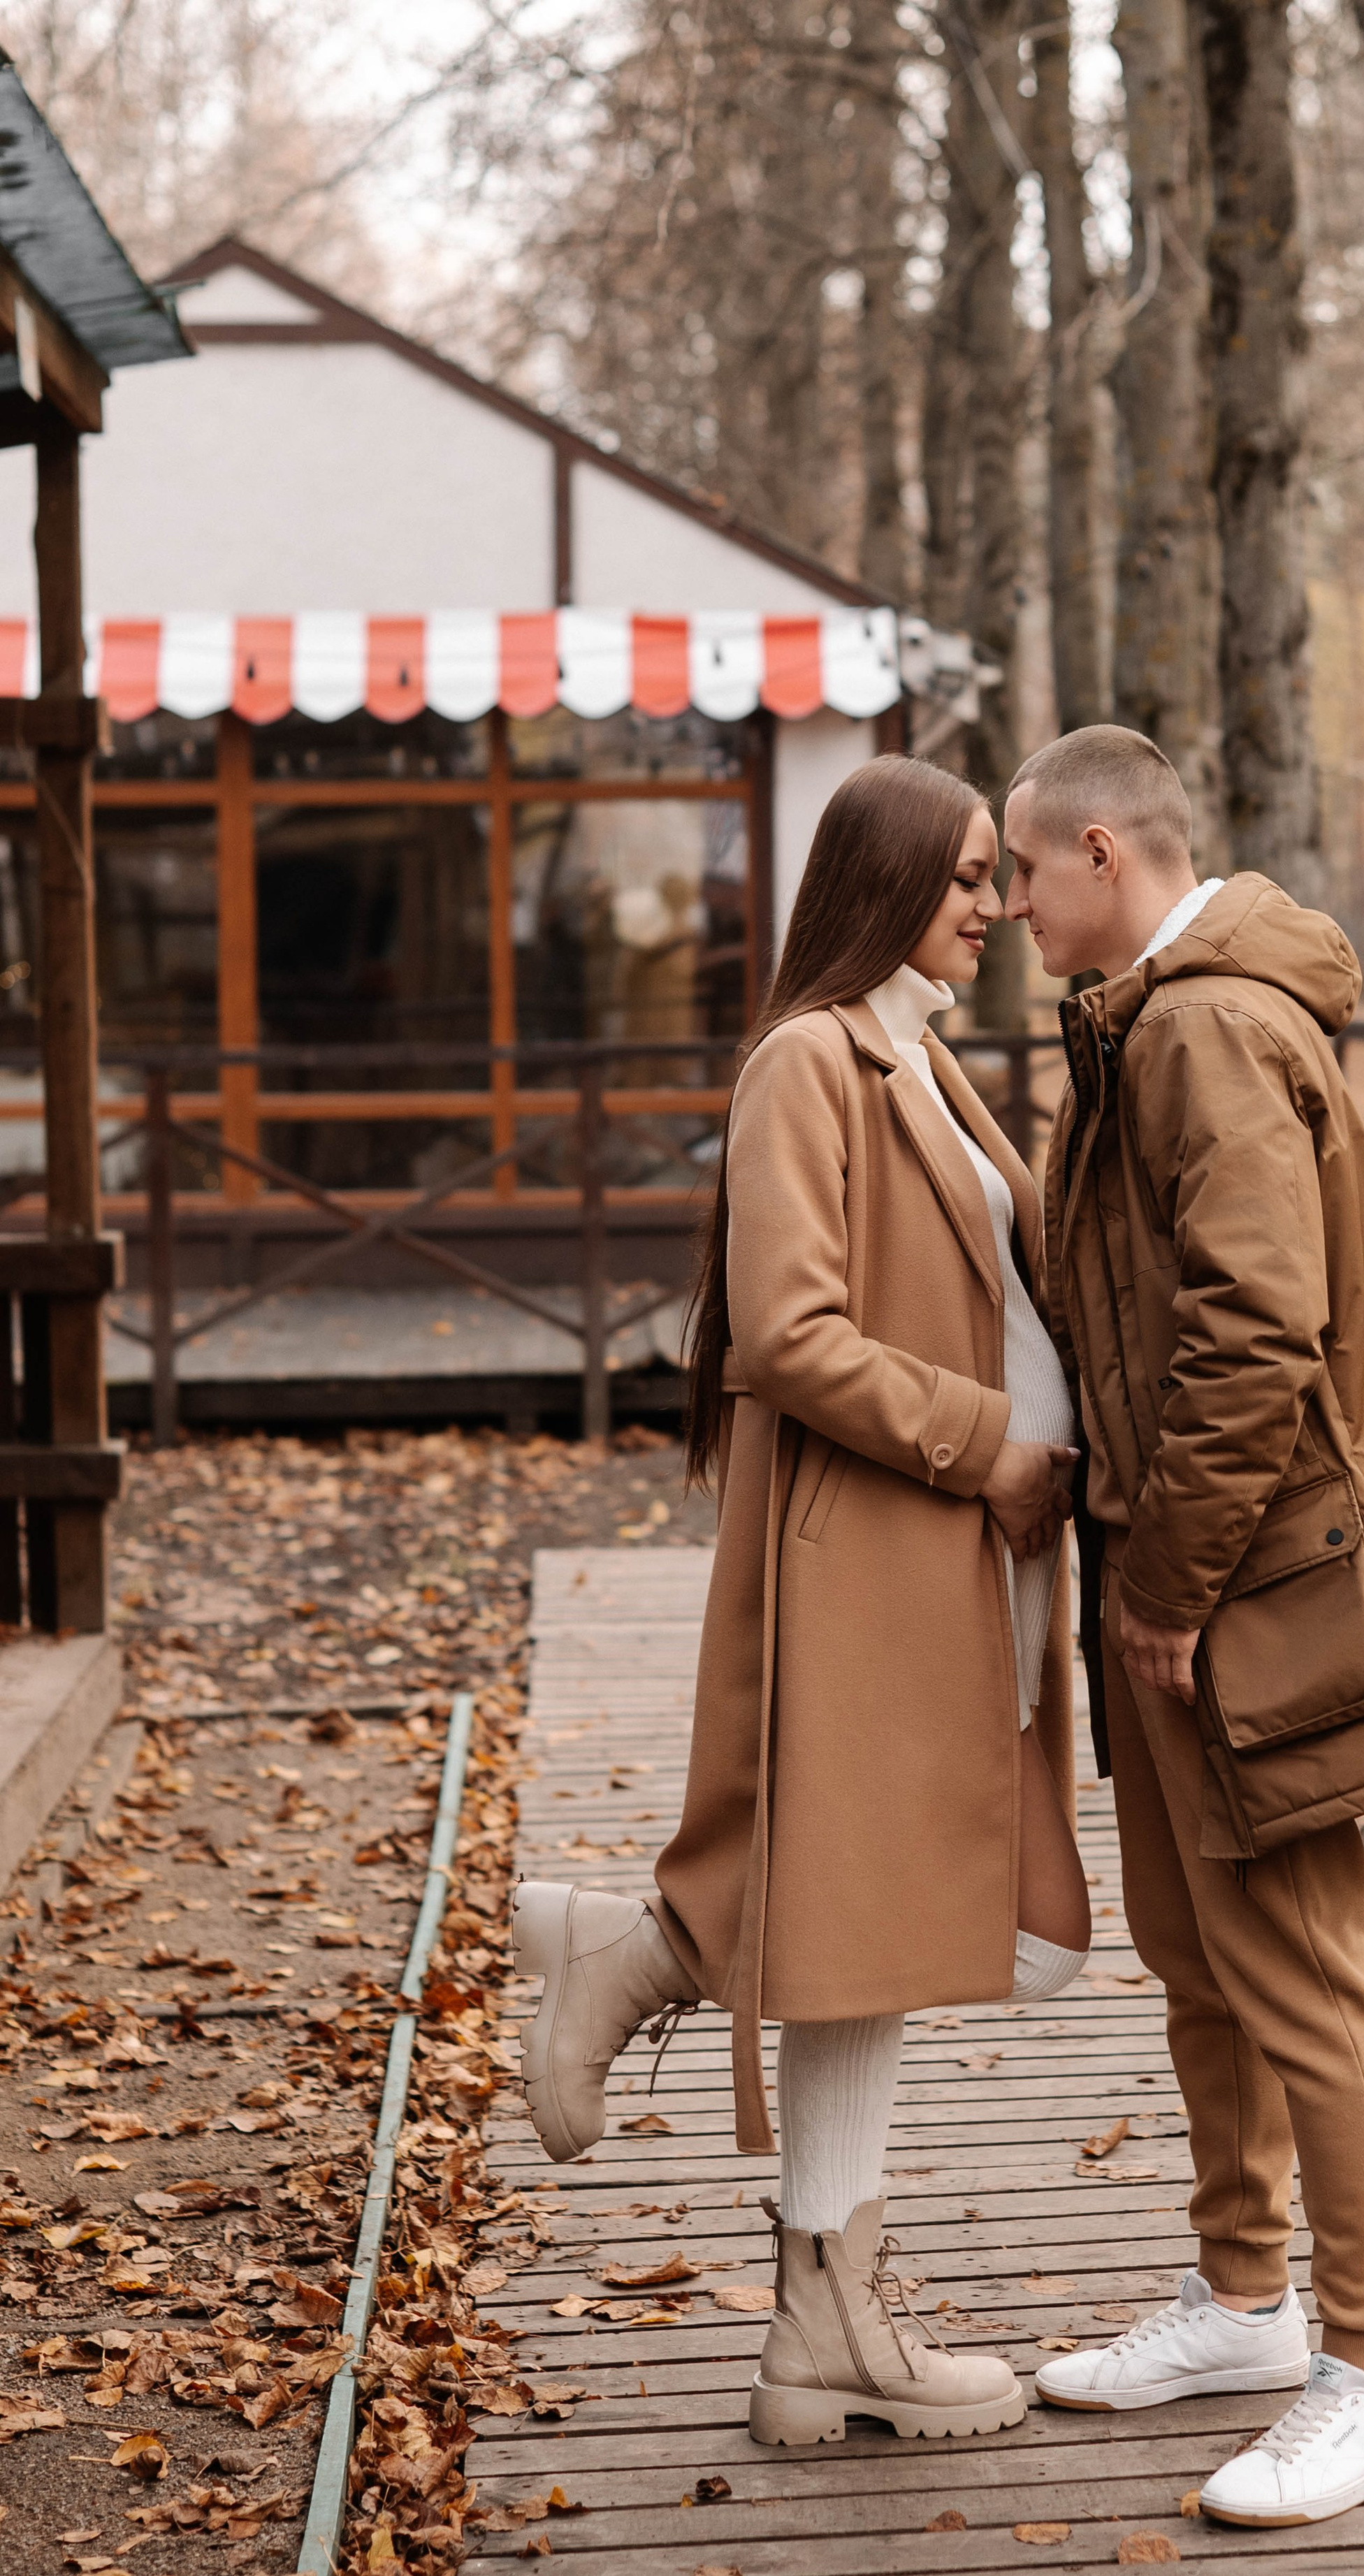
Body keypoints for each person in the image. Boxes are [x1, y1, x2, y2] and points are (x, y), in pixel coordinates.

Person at [512, 755, 1089, 2450]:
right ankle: (824, 2316)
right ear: (891, 875)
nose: (996, 902)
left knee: (1005, 1937)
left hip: (970, 1561)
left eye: (1001, 874)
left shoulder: (918, 1054)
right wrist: (987, 1446)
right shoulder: (805, 1062)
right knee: (903, 1919)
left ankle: (643, 1948)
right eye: (971, 872)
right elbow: (787, 1331)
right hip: (886, 1548)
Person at [1003, 725, 1364, 2530]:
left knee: (1305, 1978)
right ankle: (1245, 2298)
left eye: (1018, 873)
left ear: (1099, 852)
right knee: (1197, 1944)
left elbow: (1254, 1333)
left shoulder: (1206, 1028)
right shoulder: (1143, 1017)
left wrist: (1160, 1587)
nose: (1004, 906)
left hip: (1247, 1590)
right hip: (1183, 1583)